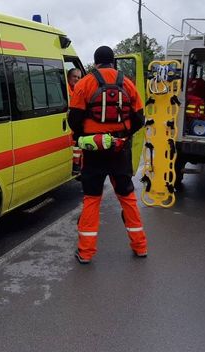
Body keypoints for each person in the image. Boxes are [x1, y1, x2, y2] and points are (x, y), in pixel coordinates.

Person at [68, 46, 146, 264]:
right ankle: (140, 247)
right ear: (113, 62)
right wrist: (122, 136)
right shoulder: (127, 83)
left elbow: (74, 118)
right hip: (120, 151)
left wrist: (88, 138)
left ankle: (85, 252)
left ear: (95, 62)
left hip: (94, 153)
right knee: (128, 198)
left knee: (92, 200)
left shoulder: (84, 83)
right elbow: (140, 118)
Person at [67, 68, 83, 175]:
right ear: (68, 77)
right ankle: (76, 166)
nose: (77, 79)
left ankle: (76, 165)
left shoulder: (76, 89)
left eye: (79, 77)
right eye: (74, 77)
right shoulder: (67, 88)